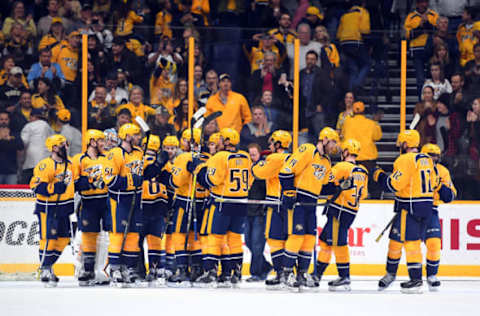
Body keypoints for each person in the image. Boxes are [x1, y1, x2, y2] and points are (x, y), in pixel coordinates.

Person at [373, 129, 438, 293]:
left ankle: (415, 279)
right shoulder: (427, 159)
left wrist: (379, 175)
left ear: (405, 144)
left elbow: (394, 185)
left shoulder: (404, 159)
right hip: (427, 206)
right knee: (401, 241)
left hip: (409, 207)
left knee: (410, 243)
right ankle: (392, 274)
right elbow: (433, 182)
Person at [278, 127, 340, 291]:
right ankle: (286, 273)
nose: (334, 146)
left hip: (311, 202)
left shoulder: (326, 161)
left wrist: (339, 188)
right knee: (297, 236)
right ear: (325, 139)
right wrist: (289, 192)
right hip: (298, 200)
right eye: (333, 142)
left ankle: (302, 273)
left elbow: (324, 187)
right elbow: (286, 171)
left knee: (309, 238)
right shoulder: (308, 149)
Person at [195, 128, 252, 287]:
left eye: (220, 139)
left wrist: (200, 169)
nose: (218, 141)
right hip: (241, 203)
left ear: (226, 141)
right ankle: (236, 272)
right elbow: (250, 180)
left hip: (222, 202)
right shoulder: (246, 157)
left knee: (215, 237)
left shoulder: (220, 157)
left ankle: (210, 272)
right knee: (234, 239)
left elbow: (211, 181)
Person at [313, 139, 368, 291]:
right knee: (326, 240)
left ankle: (343, 276)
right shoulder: (363, 171)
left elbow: (325, 182)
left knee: (338, 243)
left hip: (339, 209)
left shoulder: (341, 166)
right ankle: (317, 274)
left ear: (346, 152)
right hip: (351, 211)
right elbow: (363, 194)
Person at [103, 123, 144, 286]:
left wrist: (156, 166)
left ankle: (129, 268)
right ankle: (114, 268)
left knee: (133, 235)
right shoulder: (114, 154)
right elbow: (110, 180)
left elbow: (145, 174)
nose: (138, 137)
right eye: (136, 134)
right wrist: (130, 180)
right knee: (118, 234)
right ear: (127, 136)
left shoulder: (139, 153)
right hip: (119, 200)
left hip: (136, 199)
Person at [30, 134, 74, 287]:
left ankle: (46, 265)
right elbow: (35, 186)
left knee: (63, 239)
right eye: (63, 144)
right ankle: (46, 269)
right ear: (54, 147)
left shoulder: (70, 164)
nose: (66, 147)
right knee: (48, 239)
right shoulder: (45, 165)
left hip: (65, 207)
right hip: (48, 208)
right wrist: (53, 187)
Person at [168, 128, 209, 286]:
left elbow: (175, 182)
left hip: (184, 201)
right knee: (194, 236)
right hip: (201, 202)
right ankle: (197, 269)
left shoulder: (183, 157)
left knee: (179, 235)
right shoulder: (207, 158)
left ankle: (183, 270)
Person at [251, 130, 291, 288]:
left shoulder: (274, 158)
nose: (269, 145)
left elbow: (259, 173)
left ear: (279, 143)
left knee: (274, 239)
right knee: (289, 240)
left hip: (275, 203)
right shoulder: (291, 157)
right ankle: (289, 272)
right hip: (288, 203)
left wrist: (259, 163)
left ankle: (281, 274)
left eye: (272, 142)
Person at [72, 129, 109, 286]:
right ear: (92, 141)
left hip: (106, 202)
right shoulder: (79, 160)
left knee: (107, 238)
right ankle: (86, 269)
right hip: (88, 202)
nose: (103, 143)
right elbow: (74, 183)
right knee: (87, 236)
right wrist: (91, 183)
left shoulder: (107, 158)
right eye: (100, 140)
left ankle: (102, 270)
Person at [140, 135, 170, 286]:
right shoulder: (164, 162)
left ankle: (138, 271)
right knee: (155, 241)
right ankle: (155, 269)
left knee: (137, 241)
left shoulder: (138, 159)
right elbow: (169, 181)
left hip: (142, 204)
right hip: (158, 204)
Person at [341, 101, 382, 198]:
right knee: (373, 185)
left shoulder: (347, 122)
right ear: (364, 111)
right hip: (368, 160)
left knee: (350, 185)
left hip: (351, 159)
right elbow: (378, 136)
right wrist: (376, 122)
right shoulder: (371, 123)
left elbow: (342, 134)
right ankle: (375, 202)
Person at [244, 143, 271, 282]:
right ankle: (265, 266)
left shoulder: (263, 169)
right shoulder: (246, 168)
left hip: (260, 211)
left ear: (260, 154)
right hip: (247, 210)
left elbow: (266, 189)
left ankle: (256, 272)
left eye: (254, 153)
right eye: (250, 154)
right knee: (248, 241)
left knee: (257, 243)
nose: (252, 156)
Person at [404, 0, 439, 96]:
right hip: (416, 50)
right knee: (420, 79)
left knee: (432, 77)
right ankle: (421, 100)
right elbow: (407, 35)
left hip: (431, 49)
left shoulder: (433, 15)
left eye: (425, 2)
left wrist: (427, 23)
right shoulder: (410, 17)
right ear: (417, 4)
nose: (424, 4)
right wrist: (420, 26)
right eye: (421, 2)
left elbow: (438, 31)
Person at [337, 0, 371, 91]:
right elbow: (365, 30)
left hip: (344, 43)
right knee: (367, 64)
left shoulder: (345, 15)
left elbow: (338, 34)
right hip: (356, 42)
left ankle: (351, 92)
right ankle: (357, 84)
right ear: (363, 3)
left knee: (353, 69)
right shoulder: (363, 12)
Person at [20, 108, 53, 184]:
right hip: (46, 163)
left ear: (32, 116)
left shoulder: (29, 126)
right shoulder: (48, 127)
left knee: (26, 188)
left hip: (31, 163)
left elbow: (23, 143)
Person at [0, 111, 24, 184]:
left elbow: (20, 146)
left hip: (11, 171)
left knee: (12, 195)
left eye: (6, 119)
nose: (4, 121)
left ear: (9, 120)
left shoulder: (14, 133)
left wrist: (9, 139)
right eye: (1, 119)